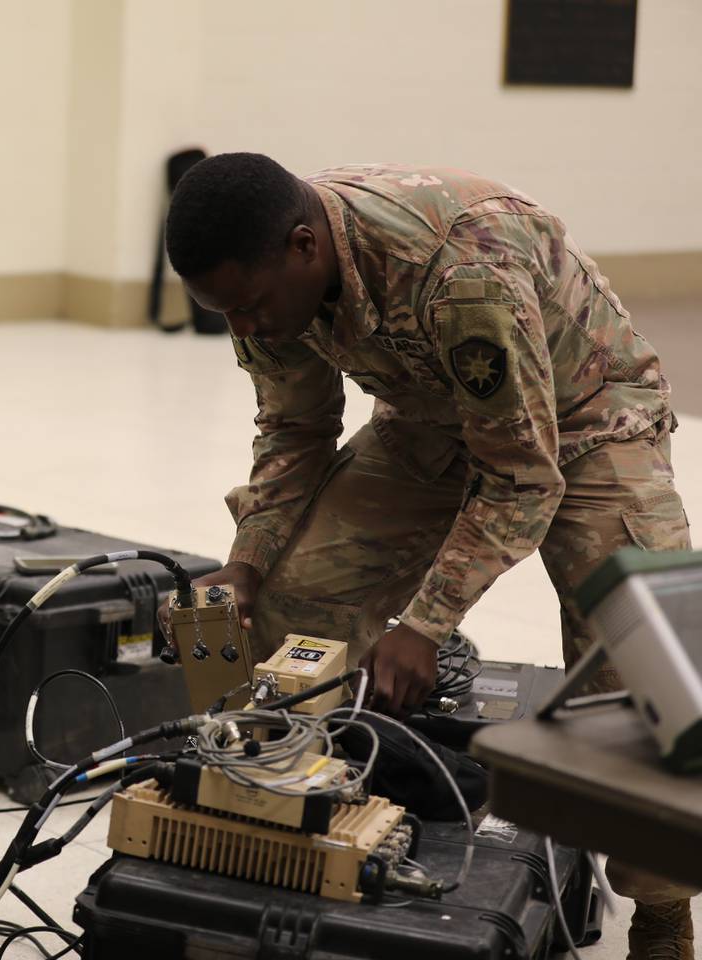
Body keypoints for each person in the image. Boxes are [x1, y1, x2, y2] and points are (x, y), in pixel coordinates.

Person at [164, 152, 693, 959]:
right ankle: (312, 809)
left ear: (305, 246)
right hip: (431, 416)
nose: (244, 328)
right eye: (222, 313)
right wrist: (247, 561)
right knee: (293, 599)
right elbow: (293, 431)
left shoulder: (458, 271)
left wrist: (427, 623)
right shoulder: (274, 285)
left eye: (248, 307)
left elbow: (521, 474)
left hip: (589, 417)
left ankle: (662, 913)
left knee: (641, 663)